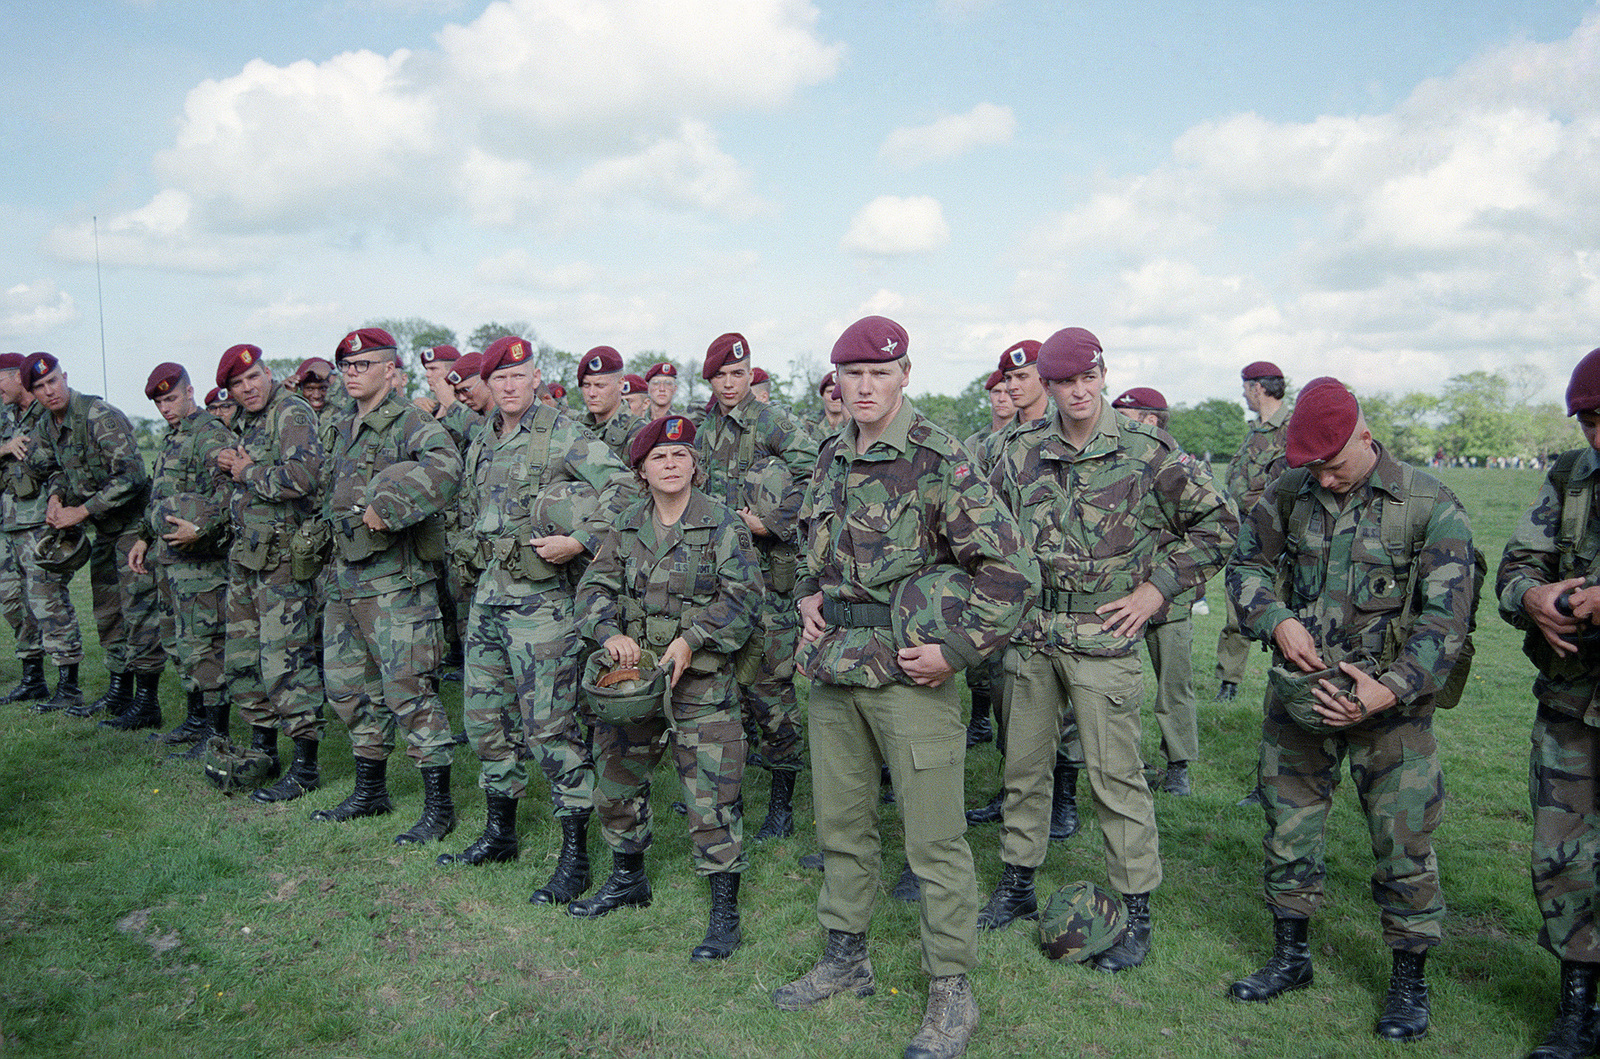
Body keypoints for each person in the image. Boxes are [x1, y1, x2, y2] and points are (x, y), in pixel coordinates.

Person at [773, 316, 1031, 1059]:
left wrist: (955, 649)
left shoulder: (939, 457)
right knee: (842, 827)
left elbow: (1012, 571)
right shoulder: (828, 458)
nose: (863, 385)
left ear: (904, 375)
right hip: (834, 668)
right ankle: (844, 958)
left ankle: (952, 989)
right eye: (850, 373)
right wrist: (810, 596)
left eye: (878, 373)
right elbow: (815, 549)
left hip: (909, 671)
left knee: (935, 840)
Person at [977, 328, 1236, 979]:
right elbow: (983, 525)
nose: (1079, 391)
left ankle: (1137, 908)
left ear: (1102, 372)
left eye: (1088, 377)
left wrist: (1157, 589)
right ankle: (1017, 882)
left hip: (1105, 636)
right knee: (1023, 768)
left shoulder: (1146, 450)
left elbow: (1219, 523)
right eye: (1065, 382)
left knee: (1116, 779)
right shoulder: (1018, 449)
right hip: (1033, 634)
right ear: (1047, 384)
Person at [1225, 379, 1473, 1041]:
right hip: (1299, 700)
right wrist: (1275, 619)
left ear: (1365, 434)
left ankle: (1409, 981)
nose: (1326, 480)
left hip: (1391, 713)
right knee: (1288, 829)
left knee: (1403, 843)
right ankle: (1291, 954)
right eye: (1315, 469)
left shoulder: (1430, 504)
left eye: (1334, 465)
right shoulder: (1288, 492)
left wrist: (1387, 689)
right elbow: (1244, 566)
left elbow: (1445, 622)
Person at [437, 335, 634, 908]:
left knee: (550, 728)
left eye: (519, 375)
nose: (509, 385)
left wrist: (580, 539)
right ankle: (500, 833)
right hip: (489, 598)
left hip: (544, 605)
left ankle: (574, 855)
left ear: (533, 376)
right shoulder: (483, 438)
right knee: (484, 718)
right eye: (499, 377)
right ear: (488, 385)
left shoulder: (563, 431)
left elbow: (624, 488)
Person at [571, 414, 763, 960]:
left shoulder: (723, 524)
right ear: (642, 469)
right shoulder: (627, 524)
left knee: (712, 795)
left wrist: (693, 638)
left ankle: (723, 911)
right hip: (634, 683)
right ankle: (629, 877)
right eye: (660, 457)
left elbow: (745, 597)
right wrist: (608, 632)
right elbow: (594, 588)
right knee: (615, 781)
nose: (671, 464)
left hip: (700, 684)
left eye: (681, 456)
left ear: (695, 465)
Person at [310, 328, 463, 845]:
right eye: (347, 366)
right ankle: (370, 790)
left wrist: (390, 508)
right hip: (344, 581)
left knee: (411, 692)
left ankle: (439, 808)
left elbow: (447, 470)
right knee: (349, 690)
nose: (353, 374)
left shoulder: (412, 422)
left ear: (390, 371)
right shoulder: (340, 425)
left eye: (364, 365)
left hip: (396, 584)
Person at [1497, 346, 1600, 1059]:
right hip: (1573, 706)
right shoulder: (1569, 476)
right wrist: (1533, 597)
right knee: (1564, 858)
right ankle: (1577, 1005)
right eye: (1590, 421)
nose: (1599, 435)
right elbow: (1514, 565)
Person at [697, 332, 818, 841]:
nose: (730, 384)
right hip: (719, 581)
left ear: (751, 375)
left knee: (771, 691)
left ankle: (783, 802)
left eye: (738, 374)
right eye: (721, 376)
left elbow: (819, 472)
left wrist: (773, 522)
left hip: (770, 581)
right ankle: (729, 793)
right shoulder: (700, 428)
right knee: (722, 692)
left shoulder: (774, 422)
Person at [19, 352, 166, 728]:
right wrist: (55, 498)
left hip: (133, 527)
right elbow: (54, 468)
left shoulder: (98, 415)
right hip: (105, 530)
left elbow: (132, 475)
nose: (50, 391)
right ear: (32, 393)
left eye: (53, 380)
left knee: (139, 613)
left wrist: (80, 512)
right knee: (108, 611)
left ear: (64, 376)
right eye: (40, 387)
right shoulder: (50, 426)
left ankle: (148, 702)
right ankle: (120, 693)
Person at [213, 343, 327, 802]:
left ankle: (306, 766)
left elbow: (303, 477)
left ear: (268, 373)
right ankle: (263, 751)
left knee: (285, 661)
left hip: (283, 560)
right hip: (248, 556)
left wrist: (246, 472)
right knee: (242, 659)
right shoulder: (248, 421)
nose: (247, 388)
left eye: (253, 377)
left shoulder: (291, 412)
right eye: (238, 385)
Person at [128, 363, 234, 756]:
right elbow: (160, 496)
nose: (165, 408)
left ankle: (216, 732)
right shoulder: (174, 437)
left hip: (201, 565)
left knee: (204, 646)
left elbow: (231, 493)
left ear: (190, 393)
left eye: (170, 399)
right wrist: (143, 538)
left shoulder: (210, 434)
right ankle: (194, 720)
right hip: (170, 561)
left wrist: (202, 530)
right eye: (159, 403)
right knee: (178, 643)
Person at [1109, 386, 1202, 796]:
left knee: (1173, 683)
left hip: (1169, 597)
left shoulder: (1181, 466)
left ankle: (1178, 764)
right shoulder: (1117, 461)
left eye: (1124, 415)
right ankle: (1125, 760)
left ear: (1149, 420)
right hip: (1122, 596)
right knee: (1114, 684)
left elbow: (1207, 529)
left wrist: (1169, 580)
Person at [0, 352, 82, 710]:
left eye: (0, 379)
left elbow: (67, 464)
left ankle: (68, 684)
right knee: (12, 600)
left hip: (40, 522)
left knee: (48, 602)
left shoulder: (51, 414)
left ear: (17, 378)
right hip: (8, 522)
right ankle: (32, 678)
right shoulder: (6, 416)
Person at [1216, 361, 1290, 702]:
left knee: (1284, 610)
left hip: (1278, 538)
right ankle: (1228, 681)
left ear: (1257, 388)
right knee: (1236, 611)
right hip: (1244, 534)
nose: (1244, 394)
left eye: (1246, 388)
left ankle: (1288, 680)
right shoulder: (1254, 430)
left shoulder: (1291, 429)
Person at [958, 368, 1018, 751]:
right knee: (981, 653)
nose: (1001, 397)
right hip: (978, 552)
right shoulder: (976, 443)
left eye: (1006, 390)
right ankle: (980, 721)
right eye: (994, 392)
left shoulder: (1024, 439)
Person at [576, 346, 644, 462]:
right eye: (586, 385)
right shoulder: (576, 427)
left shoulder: (639, 433)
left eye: (600, 386)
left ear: (620, 384)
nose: (592, 393)